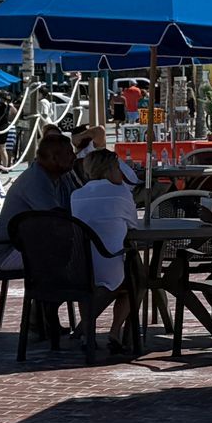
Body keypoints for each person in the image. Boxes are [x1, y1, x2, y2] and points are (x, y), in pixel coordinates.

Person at [69, 148, 142, 351]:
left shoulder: (76, 194)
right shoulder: (120, 193)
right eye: (118, 169)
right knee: (138, 280)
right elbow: (133, 226)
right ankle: (115, 330)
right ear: (110, 170)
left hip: (82, 266)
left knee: (89, 288)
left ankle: (86, 331)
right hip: (111, 263)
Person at [0, 130, 76, 272]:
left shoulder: (62, 176)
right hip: (11, 251)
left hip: (31, 244)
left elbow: (76, 204)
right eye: (69, 153)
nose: (74, 157)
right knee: (75, 255)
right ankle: (55, 293)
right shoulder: (35, 181)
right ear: (53, 158)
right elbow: (56, 220)